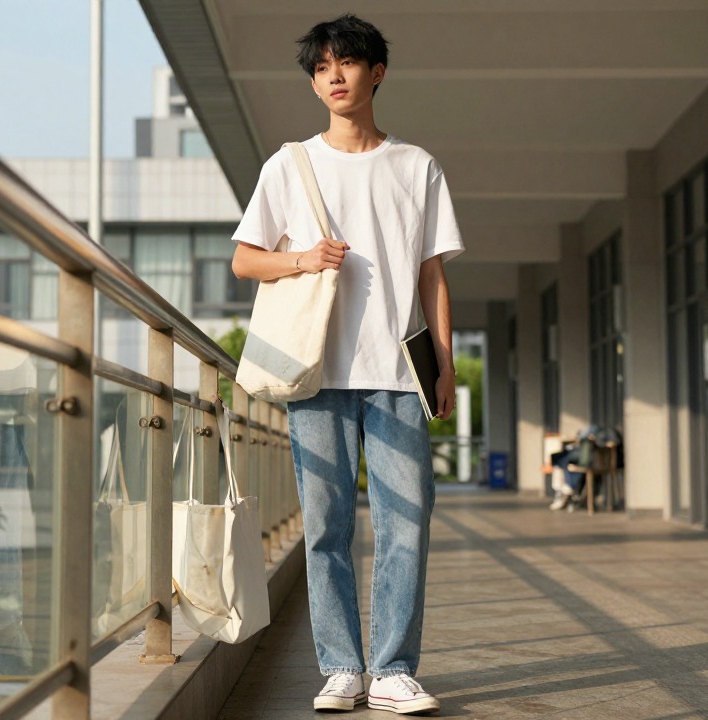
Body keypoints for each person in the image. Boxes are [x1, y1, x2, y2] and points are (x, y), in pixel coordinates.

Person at [231, 13, 463, 716]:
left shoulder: (416, 166)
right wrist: (303, 259)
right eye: (321, 67)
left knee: (406, 526)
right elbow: (245, 260)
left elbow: (432, 275)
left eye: (347, 63)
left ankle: (392, 669)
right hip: (316, 374)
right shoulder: (288, 165)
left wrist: (445, 362)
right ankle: (340, 667)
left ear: (376, 72)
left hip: (396, 375)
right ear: (313, 82)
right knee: (326, 528)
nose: (333, 76)